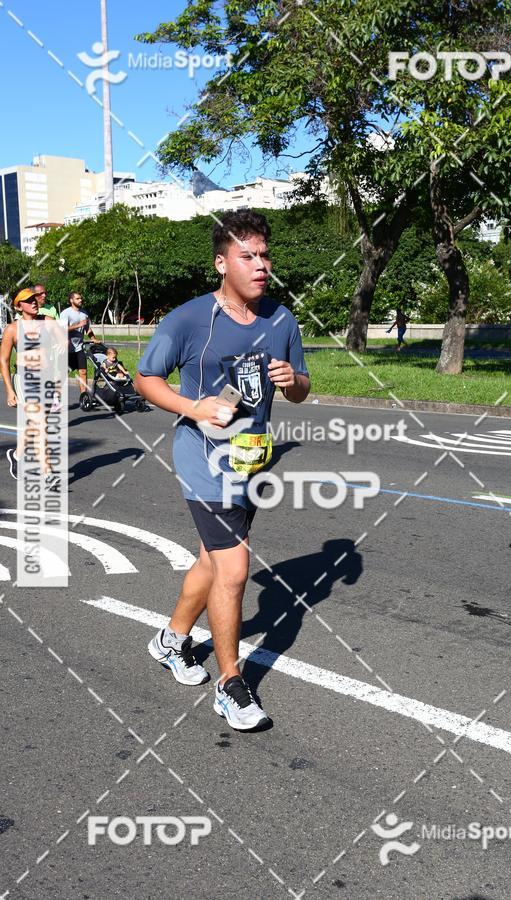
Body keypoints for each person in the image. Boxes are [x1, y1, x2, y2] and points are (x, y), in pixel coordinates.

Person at [134, 209, 310, 730]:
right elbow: (147, 379)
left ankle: (170, 640)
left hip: (251, 459)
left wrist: (290, 380)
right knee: (234, 568)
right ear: (221, 262)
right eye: (247, 256)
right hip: (202, 460)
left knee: (212, 563)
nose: (261, 265)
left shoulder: (281, 319)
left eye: (265, 255)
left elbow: (303, 390)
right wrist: (195, 408)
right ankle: (231, 684)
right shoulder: (189, 320)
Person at [0, 288, 59, 479]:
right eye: (28, 300)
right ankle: (48, 472)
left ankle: (16, 454)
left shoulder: (47, 322)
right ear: (19, 306)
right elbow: (4, 361)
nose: (34, 302)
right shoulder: (12, 329)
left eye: (35, 298)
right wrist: (9, 390)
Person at [59, 291, 95, 395]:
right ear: (71, 300)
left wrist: (93, 338)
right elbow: (61, 329)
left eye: (81, 298)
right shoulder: (65, 313)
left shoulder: (84, 313)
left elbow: (87, 329)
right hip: (67, 349)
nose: (80, 300)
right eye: (77, 299)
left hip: (79, 348)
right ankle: (56, 397)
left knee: (83, 372)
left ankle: (84, 396)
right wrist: (78, 325)